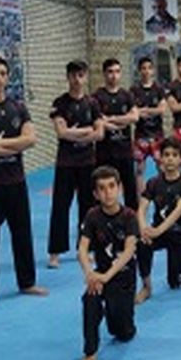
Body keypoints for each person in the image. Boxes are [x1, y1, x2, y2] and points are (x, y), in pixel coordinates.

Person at [0, 56, 47, 311]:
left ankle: (27, 282)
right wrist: (14, 145)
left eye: (2, 73)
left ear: (8, 77)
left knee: (22, 234)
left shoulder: (18, 108)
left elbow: (31, 139)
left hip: (16, 181)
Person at [78, 166, 139, 360]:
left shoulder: (129, 216)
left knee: (122, 333)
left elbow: (129, 251)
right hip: (100, 276)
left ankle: (116, 316)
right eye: (102, 188)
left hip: (123, 277)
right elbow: (82, 249)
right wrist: (90, 273)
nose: (108, 193)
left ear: (119, 188)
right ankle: (90, 351)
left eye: (112, 186)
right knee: (90, 298)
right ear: (96, 194)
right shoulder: (92, 216)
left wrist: (107, 276)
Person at [47, 60, 103, 269]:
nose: (77, 80)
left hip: (87, 161)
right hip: (66, 162)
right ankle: (55, 252)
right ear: (68, 77)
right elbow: (61, 132)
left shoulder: (92, 103)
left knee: (88, 206)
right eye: (73, 76)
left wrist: (75, 133)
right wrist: (86, 131)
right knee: (60, 206)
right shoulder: (60, 103)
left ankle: (85, 248)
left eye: (81, 75)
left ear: (85, 77)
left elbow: (100, 133)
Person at [136, 138, 181, 303]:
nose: (170, 159)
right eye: (166, 155)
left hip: (179, 235)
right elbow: (142, 208)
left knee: (176, 284)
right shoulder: (154, 182)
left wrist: (157, 231)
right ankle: (146, 287)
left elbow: (178, 211)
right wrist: (143, 228)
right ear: (160, 158)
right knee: (142, 245)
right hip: (159, 232)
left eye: (174, 155)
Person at [93, 58, 140, 210]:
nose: (114, 76)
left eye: (117, 72)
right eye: (110, 72)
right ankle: (101, 220)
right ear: (104, 74)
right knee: (103, 190)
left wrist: (112, 119)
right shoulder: (97, 97)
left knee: (130, 190)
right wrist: (123, 121)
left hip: (125, 151)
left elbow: (134, 117)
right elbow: (99, 122)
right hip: (105, 152)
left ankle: (133, 220)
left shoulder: (127, 95)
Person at [130, 56, 167, 195]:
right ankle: (141, 199)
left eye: (149, 68)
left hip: (157, 134)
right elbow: (133, 112)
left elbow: (162, 109)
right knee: (140, 169)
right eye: (143, 68)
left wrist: (144, 110)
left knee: (161, 167)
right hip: (141, 135)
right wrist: (150, 110)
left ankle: (163, 195)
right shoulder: (134, 90)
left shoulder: (159, 89)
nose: (146, 71)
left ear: (153, 70)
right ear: (139, 71)